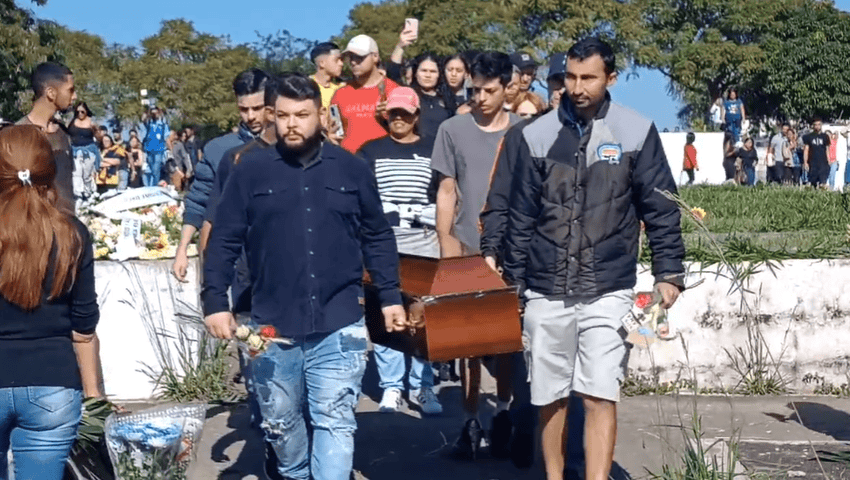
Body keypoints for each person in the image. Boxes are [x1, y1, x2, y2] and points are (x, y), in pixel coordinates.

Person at [203, 73, 406, 480]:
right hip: (271, 325)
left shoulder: (352, 168)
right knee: (280, 422)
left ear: (321, 115)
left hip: (340, 320)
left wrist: (390, 296)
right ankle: (294, 473)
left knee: (335, 420)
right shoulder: (250, 170)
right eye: (283, 116)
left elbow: (377, 234)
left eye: (302, 115)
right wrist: (215, 303)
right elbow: (224, 238)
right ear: (271, 116)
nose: (292, 124)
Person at [501, 37, 686, 480]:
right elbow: (520, 215)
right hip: (545, 288)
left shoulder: (636, 131)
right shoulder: (535, 135)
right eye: (570, 77)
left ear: (611, 78)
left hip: (609, 288)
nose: (577, 87)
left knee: (600, 394)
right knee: (549, 398)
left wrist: (669, 273)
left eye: (588, 78)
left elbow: (661, 207)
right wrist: (513, 284)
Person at [431, 51, 521, 460]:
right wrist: (446, 245)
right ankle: (469, 421)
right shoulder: (452, 129)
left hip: (513, 251)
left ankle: (503, 412)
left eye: (489, 90)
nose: (480, 98)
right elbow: (447, 190)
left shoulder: (524, 132)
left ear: (508, 88)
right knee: (467, 344)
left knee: (506, 342)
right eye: (474, 90)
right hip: (466, 245)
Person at [0, 125, 104, 480]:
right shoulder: (73, 234)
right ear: (50, 172)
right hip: (53, 386)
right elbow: (84, 327)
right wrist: (94, 395)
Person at [358, 87, 443, 416]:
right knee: (386, 311)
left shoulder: (433, 149)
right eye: (393, 113)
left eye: (405, 113)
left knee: (424, 316)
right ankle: (391, 386)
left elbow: (443, 194)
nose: (399, 119)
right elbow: (362, 198)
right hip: (384, 241)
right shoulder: (370, 151)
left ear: (416, 116)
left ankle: (423, 386)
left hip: (424, 239)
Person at [172, 68, 270, 282]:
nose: (251, 116)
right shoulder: (218, 149)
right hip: (235, 261)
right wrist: (182, 249)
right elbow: (198, 201)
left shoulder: (289, 145)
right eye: (244, 109)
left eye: (257, 108)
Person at [16, 62, 76, 208]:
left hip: (65, 218)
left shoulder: (62, 132)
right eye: (70, 90)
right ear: (51, 93)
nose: (74, 96)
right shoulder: (17, 135)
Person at [331, 34, 399, 154]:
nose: (353, 62)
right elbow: (335, 132)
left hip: (383, 159)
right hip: (349, 160)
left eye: (359, 57)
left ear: (375, 57)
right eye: (350, 57)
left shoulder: (394, 90)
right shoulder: (340, 94)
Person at [140, 107, 170, 186]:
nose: (154, 114)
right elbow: (143, 119)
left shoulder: (163, 124)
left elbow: (167, 138)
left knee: (156, 169)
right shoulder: (149, 123)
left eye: (156, 113)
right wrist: (148, 110)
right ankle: (151, 185)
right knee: (150, 169)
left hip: (159, 150)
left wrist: (169, 150)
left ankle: (155, 185)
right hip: (149, 149)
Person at [310, 42, 345, 109]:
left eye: (341, 60)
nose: (341, 64)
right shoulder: (305, 87)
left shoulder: (340, 89)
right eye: (336, 60)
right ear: (322, 63)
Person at [803, 118, 830, 187]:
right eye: (816, 125)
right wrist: (805, 162)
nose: (817, 126)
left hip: (823, 162)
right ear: (813, 126)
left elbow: (827, 149)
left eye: (819, 124)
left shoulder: (825, 136)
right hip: (812, 162)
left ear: (821, 125)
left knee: (823, 183)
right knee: (813, 182)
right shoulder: (809, 136)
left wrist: (829, 160)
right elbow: (806, 150)